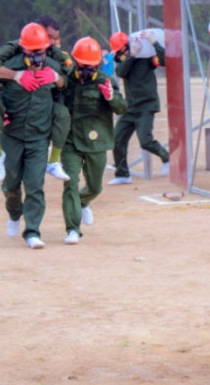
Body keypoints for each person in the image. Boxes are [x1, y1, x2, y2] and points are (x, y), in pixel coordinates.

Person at [0, 23, 66, 249]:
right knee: (12, 186)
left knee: (35, 185)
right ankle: (15, 213)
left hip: (38, 138)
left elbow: (66, 84)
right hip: (12, 137)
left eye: (41, 52)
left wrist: (56, 78)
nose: (36, 57)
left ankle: (32, 231)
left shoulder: (52, 65)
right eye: (32, 52)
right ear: (23, 51)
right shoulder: (9, 67)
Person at [0, 15, 72, 182]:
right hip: (15, 114)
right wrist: (17, 75)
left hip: (44, 108)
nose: (51, 42)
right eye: (49, 36)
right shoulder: (16, 48)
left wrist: (55, 77)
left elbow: (67, 78)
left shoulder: (55, 54)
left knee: (62, 113)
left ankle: (53, 162)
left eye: (54, 39)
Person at [59, 37, 128, 244]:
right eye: (84, 65)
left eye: (92, 65)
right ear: (75, 61)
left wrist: (110, 97)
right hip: (70, 140)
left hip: (96, 141)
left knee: (95, 188)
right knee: (70, 183)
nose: (88, 69)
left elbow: (122, 107)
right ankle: (73, 229)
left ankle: (83, 202)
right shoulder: (66, 80)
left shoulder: (105, 80)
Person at [108, 31, 170, 185]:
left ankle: (167, 158)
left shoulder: (147, 60)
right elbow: (120, 72)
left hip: (146, 106)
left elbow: (164, 60)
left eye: (119, 50)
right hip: (130, 108)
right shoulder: (126, 62)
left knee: (145, 141)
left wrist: (155, 43)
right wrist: (132, 55)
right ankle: (122, 174)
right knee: (117, 139)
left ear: (126, 47)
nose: (117, 54)